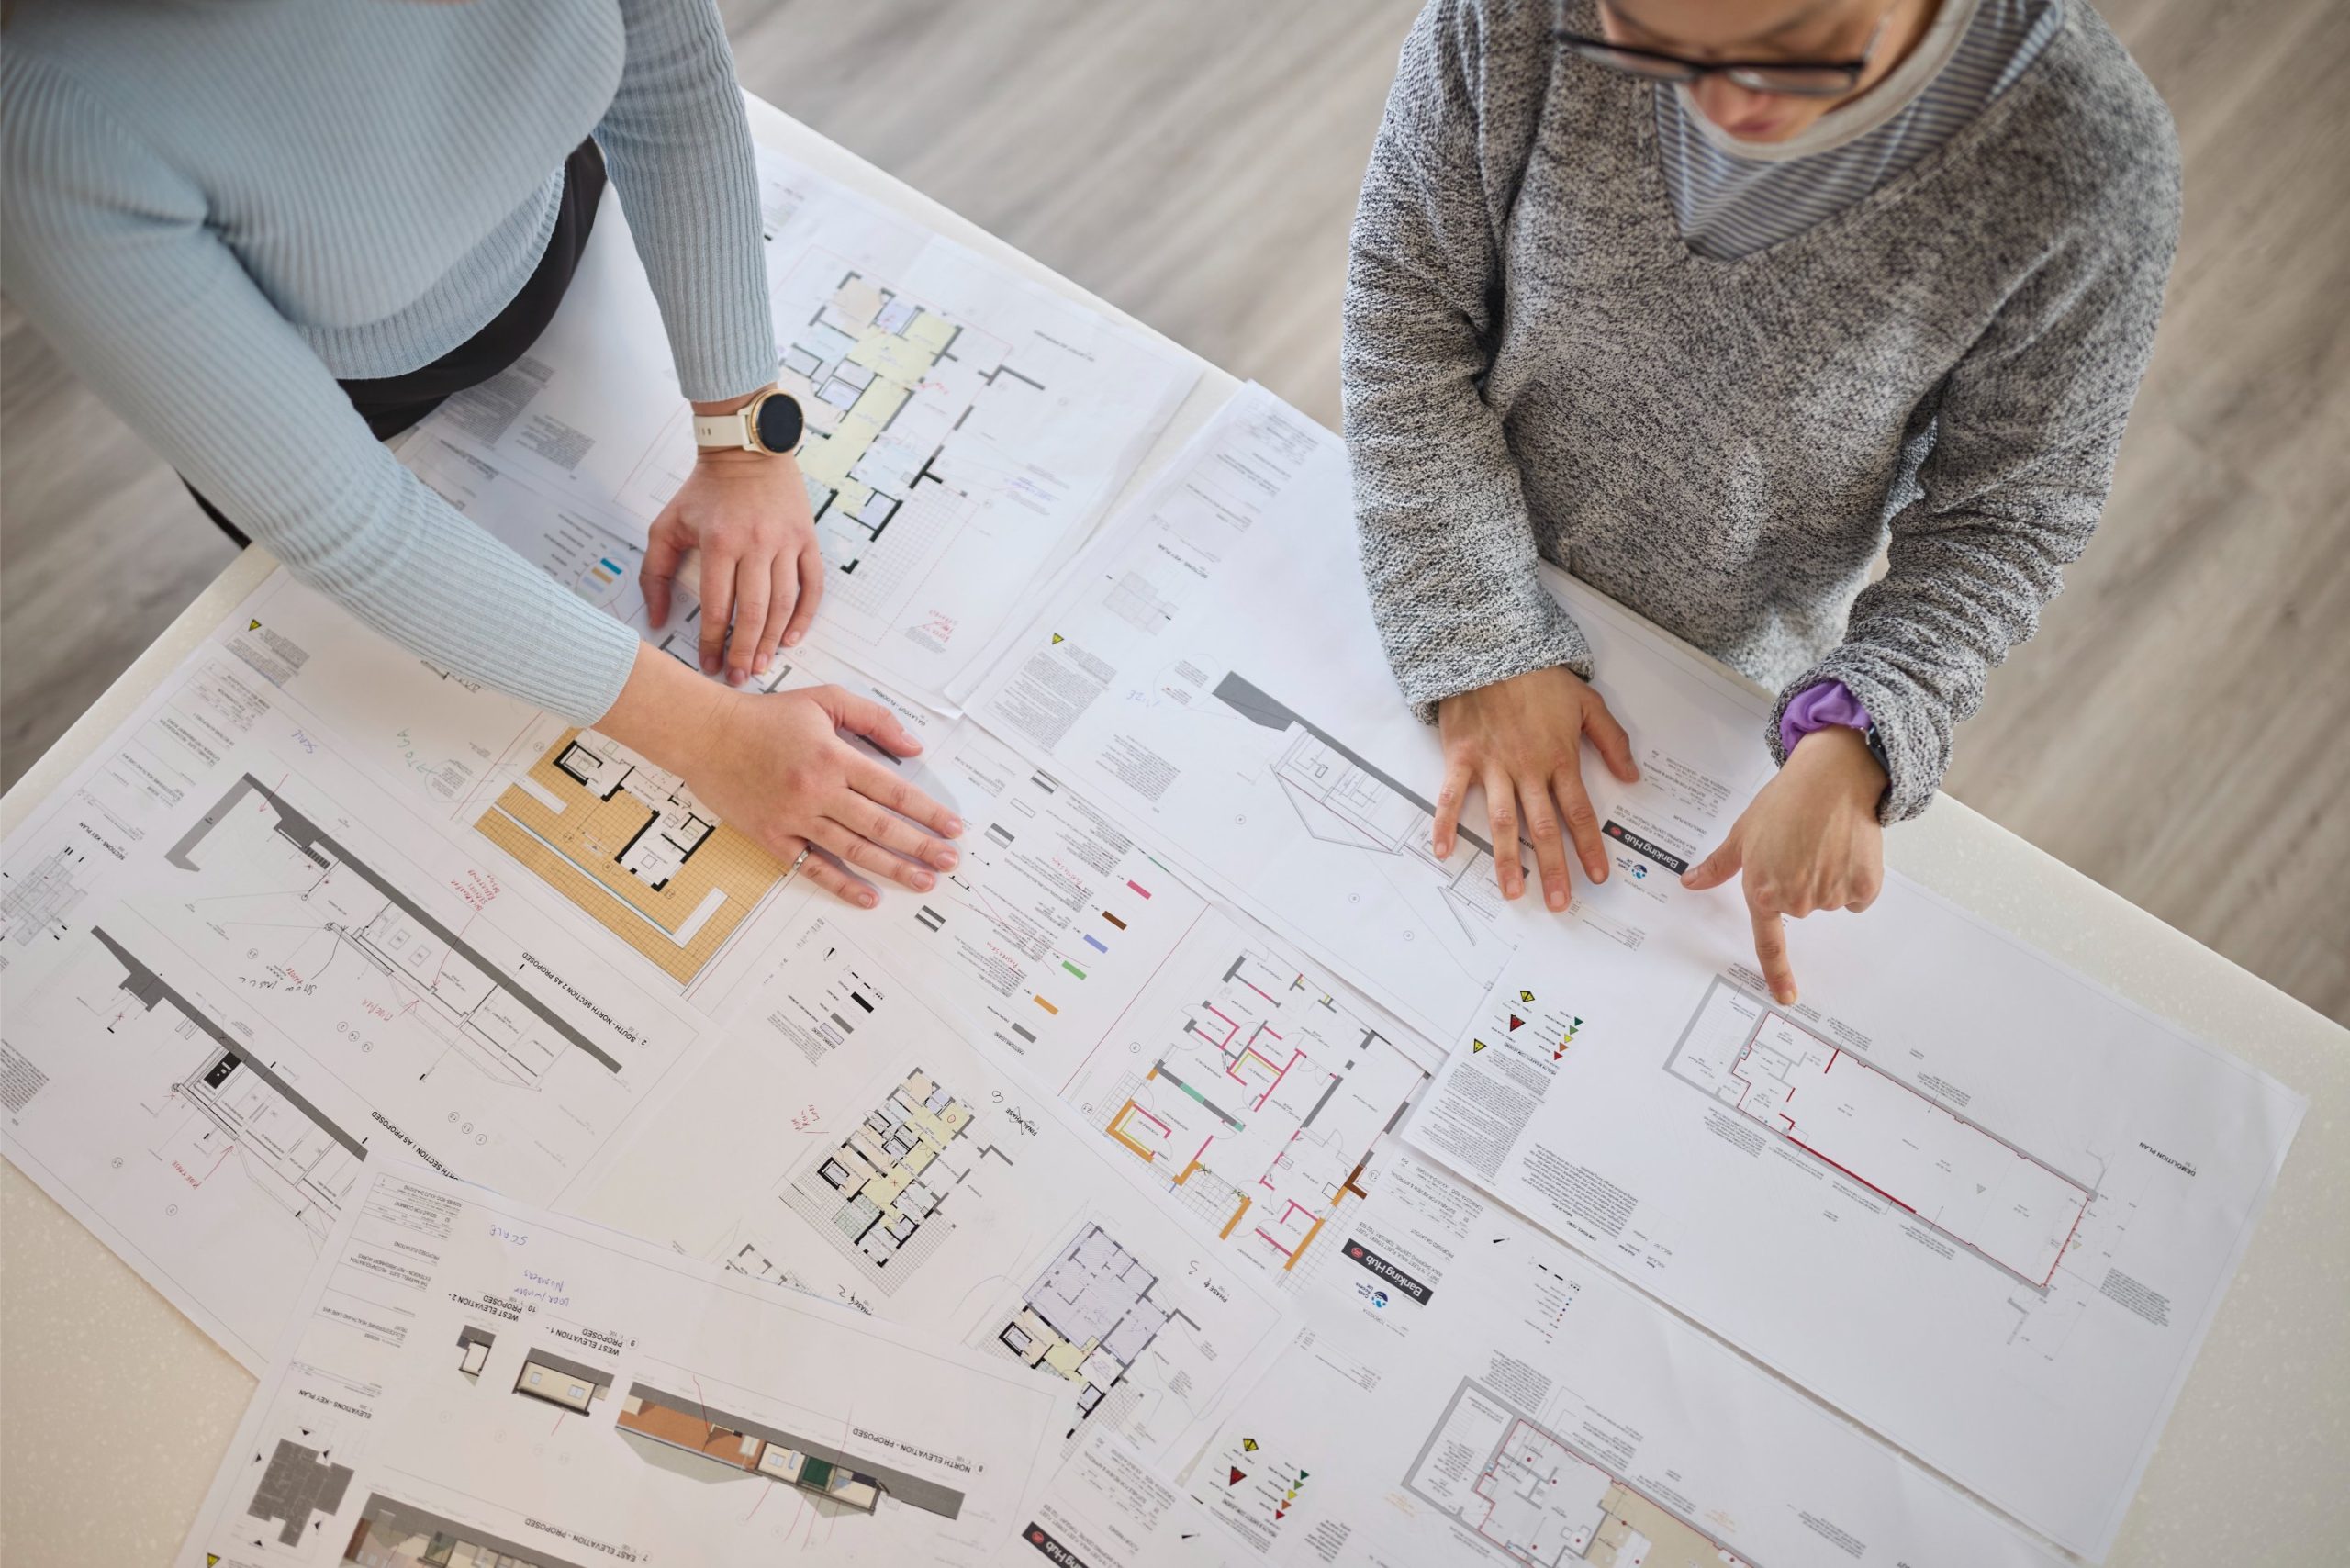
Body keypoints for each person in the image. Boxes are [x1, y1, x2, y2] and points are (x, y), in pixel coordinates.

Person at [2, 0, 959, 908]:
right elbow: (347, 521)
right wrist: (709, 738)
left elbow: (670, 89)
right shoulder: (53, 120)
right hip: (364, 417)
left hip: (570, 241)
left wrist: (745, 436)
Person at [1344, 0, 2178, 1001]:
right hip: (1426, 551)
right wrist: (1480, 626)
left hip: (1723, 670)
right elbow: (1406, 300)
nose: (1723, 106)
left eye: (1794, 52)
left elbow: (2004, 514)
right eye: (1647, 45)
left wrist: (1863, 730)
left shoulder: (2085, 164)